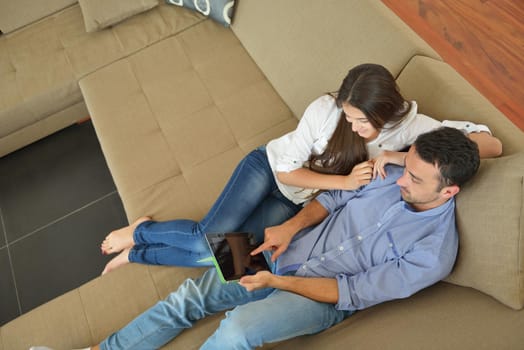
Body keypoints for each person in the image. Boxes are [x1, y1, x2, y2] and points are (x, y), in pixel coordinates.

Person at [59, 126, 479, 350]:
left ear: (449, 191)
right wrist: (290, 227)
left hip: (317, 297)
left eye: (415, 177)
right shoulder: (390, 173)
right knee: (189, 297)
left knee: (238, 330)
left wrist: (275, 281)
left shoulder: (433, 253)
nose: (399, 177)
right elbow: (332, 200)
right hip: (283, 247)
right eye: (406, 166)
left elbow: (351, 291)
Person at [99, 63, 502, 274]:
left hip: (297, 203)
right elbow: (289, 171)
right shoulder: (325, 110)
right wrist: (344, 180)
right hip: (270, 171)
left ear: (386, 112)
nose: (352, 127)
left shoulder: (413, 126)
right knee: (208, 239)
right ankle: (140, 231)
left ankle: (137, 255)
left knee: (234, 261)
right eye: (348, 116)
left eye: (361, 121)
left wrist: (400, 155)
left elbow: (491, 143)